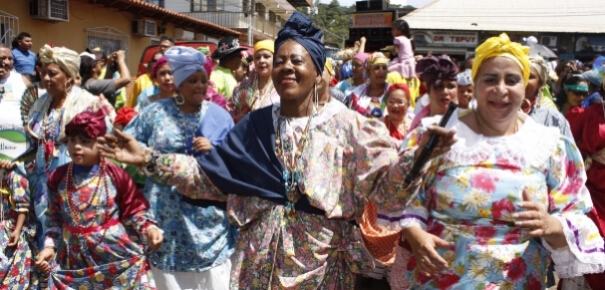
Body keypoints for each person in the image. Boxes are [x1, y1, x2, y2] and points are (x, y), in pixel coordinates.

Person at [97, 12, 451, 289]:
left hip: (321, 267)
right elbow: (208, 179)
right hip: (256, 262)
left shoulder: (351, 127)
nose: (286, 67)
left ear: (317, 71)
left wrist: (421, 156)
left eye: (297, 61)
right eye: (280, 60)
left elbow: (388, 190)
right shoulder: (255, 125)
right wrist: (148, 157)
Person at [382, 33, 605, 289]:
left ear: (526, 86)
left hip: (518, 281)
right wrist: (415, 233)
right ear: (474, 84)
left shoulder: (550, 145)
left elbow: (577, 216)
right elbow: (400, 194)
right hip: (438, 280)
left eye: (512, 80)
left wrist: (549, 224)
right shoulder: (435, 133)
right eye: (490, 79)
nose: (501, 89)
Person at [123, 46, 236, 290]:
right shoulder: (153, 113)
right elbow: (129, 149)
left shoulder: (220, 116)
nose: (199, 86)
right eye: (192, 80)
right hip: (165, 217)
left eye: (203, 80)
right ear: (179, 82)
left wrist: (214, 150)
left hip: (209, 221)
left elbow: (235, 161)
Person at [34, 110, 163, 289]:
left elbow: (133, 211)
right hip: (74, 258)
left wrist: (149, 229)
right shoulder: (58, 178)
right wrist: (50, 246)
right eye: (73, 140)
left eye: (85, 141)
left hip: (114, 254)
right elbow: (55, 217)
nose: (77, 146)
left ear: (101, 143)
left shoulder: (115, 175)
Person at [26, 44, 116, 246]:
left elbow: (109, 140)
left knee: (74, 240)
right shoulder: (40, 104)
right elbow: (33, 143)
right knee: (47, 236)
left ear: (68, 75)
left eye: (52, 74)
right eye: (44, 73)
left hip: (77, 185)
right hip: (44, 187)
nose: (46, 78)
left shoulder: (88, 103)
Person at [566, 92, 605, 290]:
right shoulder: (585, 115)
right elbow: (565, 150)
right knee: (592, 248)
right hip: (593, 195)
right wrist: (584, 158)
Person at [0, 162, 39, 288]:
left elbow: (23, 207)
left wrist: (17, 230)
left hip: (18, 229)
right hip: (8, 227)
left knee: (18, 267)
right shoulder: (4, 174)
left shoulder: (16, 176)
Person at [228, 39, 278, 123]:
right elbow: (229, 115)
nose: (261, 61)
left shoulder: (282, 87)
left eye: (266, 56)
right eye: (257, 57)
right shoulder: (242, 87)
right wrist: (237, 119)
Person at [523, 55, 573, 138]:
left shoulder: (553, 118)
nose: (523, 80)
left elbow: (568, 149)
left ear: (541, 84)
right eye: (517, 76)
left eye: (529, 77)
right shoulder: (497, 112)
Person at [0, 43, 31, 162]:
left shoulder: (22, 80)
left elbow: (37, 108)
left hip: (18, 146)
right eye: (2, 59)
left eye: (10, 58)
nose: (7, 62)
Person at [409, 56, 458, 130]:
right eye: (439, 86)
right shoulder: (419, 119)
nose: (445, 92)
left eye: (451, 86)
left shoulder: (464, 122)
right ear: (428, 91)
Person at [350, 52, 391, 118]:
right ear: (368, 71)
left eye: (384, 68)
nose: (381, 71)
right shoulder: (357, 93)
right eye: (376, 67)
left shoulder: (393, 92)